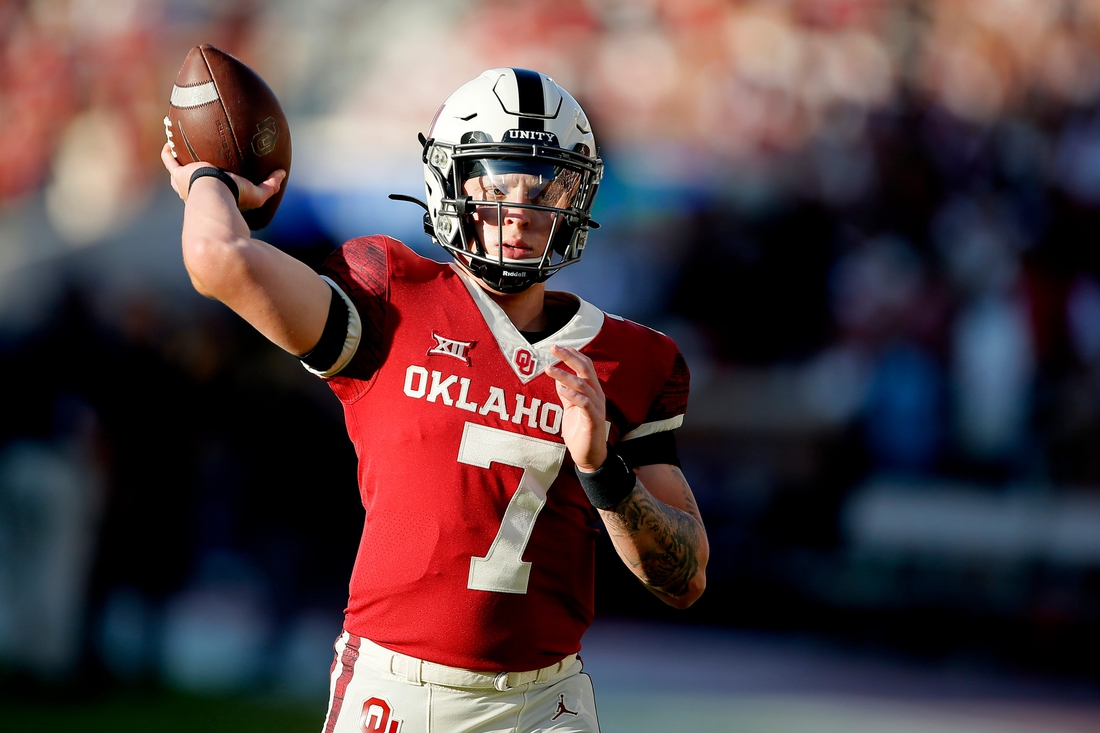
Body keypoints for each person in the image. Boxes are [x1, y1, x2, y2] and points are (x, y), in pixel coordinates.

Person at [162, 68, 707, 733]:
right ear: (449, 181)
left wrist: (603, 470)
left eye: (545, 182)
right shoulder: (390, 298)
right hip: (397, 691)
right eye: (496, 179)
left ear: (579, 194)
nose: (521, 207)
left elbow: (685, 577)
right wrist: (207, 179)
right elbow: (217, 258)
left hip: (545, 704)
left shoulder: (632, 358)